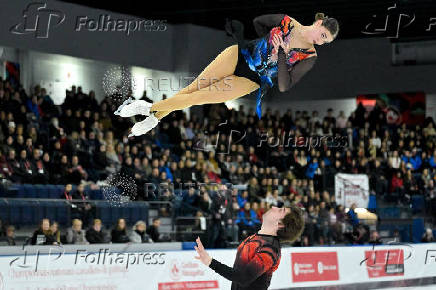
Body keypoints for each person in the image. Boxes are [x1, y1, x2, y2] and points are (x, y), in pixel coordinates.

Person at [115, 13, 339, 136]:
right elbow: (258, 22)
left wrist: (281, 54)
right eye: (322, 34)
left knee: (198, 98)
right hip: (239, 55)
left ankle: (146, 109)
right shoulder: (287, 21)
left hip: (252, 79)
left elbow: (284, 85)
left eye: (325, 41)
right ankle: (154, 117)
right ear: (318, 23)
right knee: (191, 90)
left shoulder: (309, 56)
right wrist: (269, 39)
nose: (321, 41)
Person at [194, 205, 305, 290]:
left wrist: (210, 262)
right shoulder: (258, 236)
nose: (274, 207)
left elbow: (242, 277)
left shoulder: (270, 249)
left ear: (280, 224)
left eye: (281, 210)